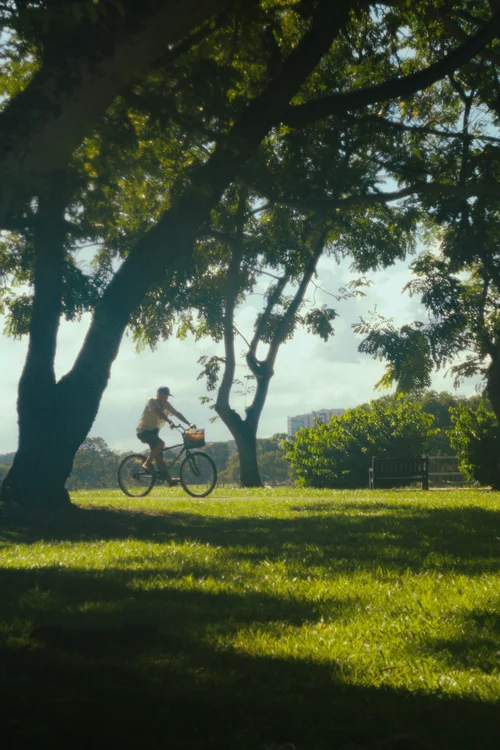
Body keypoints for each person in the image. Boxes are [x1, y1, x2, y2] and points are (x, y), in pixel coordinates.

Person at [136, 386, 194, 486]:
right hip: (144, 431)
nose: (166, 397)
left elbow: (177, 413)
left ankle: (169, 480)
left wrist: (189, 424)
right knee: (161, 444)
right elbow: (158, 411)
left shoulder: (166, 404)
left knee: (159, 457)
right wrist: (169, 421)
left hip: (153, 432)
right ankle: (147, 463)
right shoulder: (152, 400)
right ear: (158, 394)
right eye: (165, 395)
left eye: (167, 395)